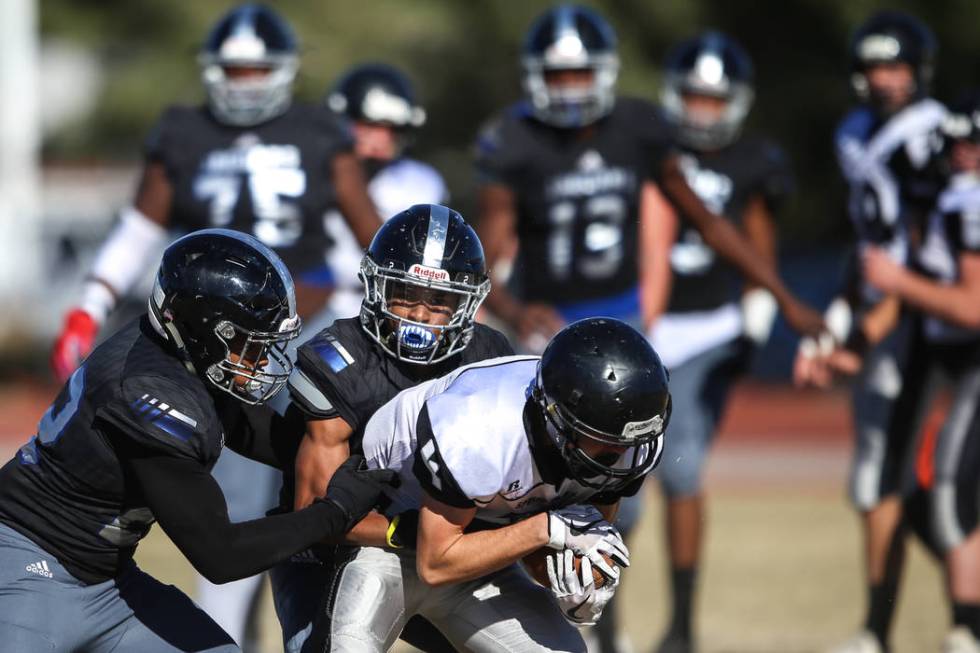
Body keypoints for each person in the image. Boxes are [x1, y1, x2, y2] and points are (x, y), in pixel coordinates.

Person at [50, 6, 384, 647]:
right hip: (212, 339)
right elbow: (141, 225)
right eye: (234, 67)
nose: (246, 80)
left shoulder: (318, 130)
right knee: (231, 491)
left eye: (258, 67)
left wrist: (349, 297)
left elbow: (367, 234)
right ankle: (228, 632)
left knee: (326, 458)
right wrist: (90, 301)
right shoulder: (183, 131)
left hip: (302, 326)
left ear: (284, 71)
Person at [0, 229, 396, 652]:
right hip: (28, 567)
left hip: (106, 580)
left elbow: (263, 434)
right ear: (207, 330)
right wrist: (334, 512)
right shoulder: (149, 395)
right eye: (249, 342)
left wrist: (364, 456)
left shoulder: (183, 357)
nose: (262, 359)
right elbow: (221, 555)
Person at [476, 4, 822, 359]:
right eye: (558, 76)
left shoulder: (637, 127)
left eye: (580, 74)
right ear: (535, 76)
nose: (570, 88)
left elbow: (708, 222)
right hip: (545, 320)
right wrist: (514, 312)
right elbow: (484, 260)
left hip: (625, 317)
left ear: (605, 71)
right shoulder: (515, 139)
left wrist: (786, 299)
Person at [308, 317, 671, 652]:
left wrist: (577, 582)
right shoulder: (480, 426)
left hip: (486, 555)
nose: (620, 452)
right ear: (557, 419)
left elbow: (555, 545)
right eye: (604, 440)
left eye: (626, 442)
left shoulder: (627, 440)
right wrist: (544, 529)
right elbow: (435, 564)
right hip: (387, 542)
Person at [270, 204, 514, 653]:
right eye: (405, 293)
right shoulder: (338, 361)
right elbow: (313, 515)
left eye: (439, 301)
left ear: (467, 303)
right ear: (376, 286)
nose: (420, 315)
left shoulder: (489, 356)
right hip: (332, 553)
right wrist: (407, 532)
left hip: (447, 546)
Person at [789, 11, 945, 653]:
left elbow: (920, 249)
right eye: (876, 67)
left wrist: (864, 334)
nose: (886, 81)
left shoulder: (933, 135)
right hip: (883, 308)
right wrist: (842, 322)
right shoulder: (854, 131)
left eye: (898, 67)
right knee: (890, 477)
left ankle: (887, 629)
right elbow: (867, 247)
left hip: (931, 317)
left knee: (890, 475)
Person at [643, 31, 793, 653]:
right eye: (694, 98)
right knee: (604, 482)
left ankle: (679, 625)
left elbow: (759, 238)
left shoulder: (754, 159)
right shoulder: (647, 145)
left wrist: (759, 314)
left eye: (714, 99)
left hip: (708, 328)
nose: (703, 110)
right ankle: (605, 621)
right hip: (643, 323)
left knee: (682, 467)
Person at [860, 92, 980, 653]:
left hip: (968, 354)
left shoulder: (966, 201)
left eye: (973, 144)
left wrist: (896, 281)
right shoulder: (946, 196)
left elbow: (974, 306)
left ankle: (969, 627)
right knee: (927, 487)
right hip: (943, 356)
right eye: (958, 143)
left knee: (952, 492)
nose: (963, 155)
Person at [322, 62, 449, 320]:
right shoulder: (313, 170)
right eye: (367, 126)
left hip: (395, 303)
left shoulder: (419, 182)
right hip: (320, 299)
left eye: (388, 128)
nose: (378, 139)